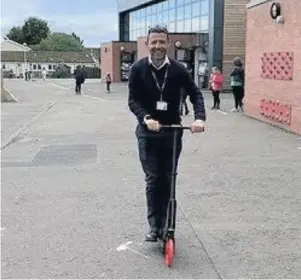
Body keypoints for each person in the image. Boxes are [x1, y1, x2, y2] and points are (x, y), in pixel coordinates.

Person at [128, 25, 206, 242]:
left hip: (172, 132)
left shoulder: (179, 70)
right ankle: (155, 226)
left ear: (168, 43)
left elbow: (195, 94)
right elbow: (133, 100)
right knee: (154, 179)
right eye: (154, 42)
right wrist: (146, 118)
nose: (158, 46)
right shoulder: (138, 69)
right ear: (148, 44)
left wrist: (199, 118)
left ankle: (169, 226)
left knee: (169, 179)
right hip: (147, 132)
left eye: (162, 42)